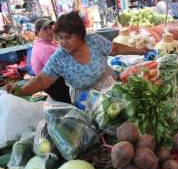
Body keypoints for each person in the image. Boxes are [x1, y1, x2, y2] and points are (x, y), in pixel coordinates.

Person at [7, 11, 148, 102]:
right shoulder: (59, 58)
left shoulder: (94, 40)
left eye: (68, 37)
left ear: (80, 34)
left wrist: (139, 51)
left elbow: (115, 48)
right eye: (60, 38)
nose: (63, 42)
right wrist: (21, 90)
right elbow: (42, 80)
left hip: (110, 90)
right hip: (85, 102)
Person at [31, 17, 71, 103]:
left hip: (54, 81)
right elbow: (62, 69)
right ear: (37, 32)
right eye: (45, 29)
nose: (49, 31)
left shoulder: (46, 43)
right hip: (55, 85)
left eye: (50, 28)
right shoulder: (44, 49)